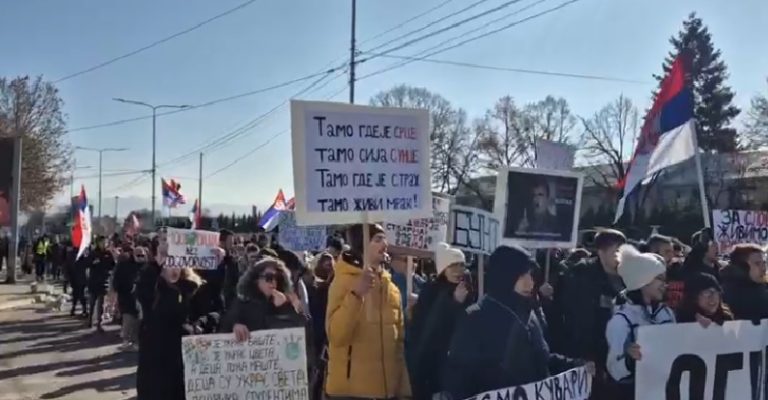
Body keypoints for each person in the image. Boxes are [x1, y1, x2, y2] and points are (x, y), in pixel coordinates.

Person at [443, 245, 588, 400]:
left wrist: (576, 365)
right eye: (521, 276)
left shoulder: (529, 314)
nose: (530, 283)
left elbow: (543, 359)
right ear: (504, 276)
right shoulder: (475, 318)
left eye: (530, 275)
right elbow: (459, 380)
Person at [325, 223, 410, 399]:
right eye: (377, 239)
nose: (385, 244)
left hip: (387, 392)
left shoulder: (392, 289)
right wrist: (356, 295)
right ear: (362, 244)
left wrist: (403, 390)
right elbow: (336, 335)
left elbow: (398, 346)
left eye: (384, 239)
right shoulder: (343, 281)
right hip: (351, 393)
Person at [559, 229, 626, 399]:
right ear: (601, 251)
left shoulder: (627, 277)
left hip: (619, 352)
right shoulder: (583, 274)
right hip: (592, 355)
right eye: (616, 251)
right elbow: (579, 320)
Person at [605, 245, 675, 399]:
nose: (665, 285)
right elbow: (614, 369)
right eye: (660, 279)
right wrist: (630, 359)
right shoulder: (621, 320)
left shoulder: (666, 313)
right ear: (643, 281)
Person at [409, 243, 472, 400]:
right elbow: (431, 329)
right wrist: (454, 302)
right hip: (431, 368)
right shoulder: (431, 291)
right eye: (453, 265)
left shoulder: (468, 289)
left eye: (462, 265)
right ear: (444, 269)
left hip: (457, 367)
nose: (458, 270)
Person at [136, 263, 205, 400]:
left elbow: (207, 312)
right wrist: (154, 267)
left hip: (181, 355)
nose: (174, 269)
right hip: (155, 355)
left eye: (177, 264)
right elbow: (144, 295)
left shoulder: (191, 287)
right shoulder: (153, 287)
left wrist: (199, 324)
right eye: (169, 264)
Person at [222, 258, 306, 337]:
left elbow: (301, 329)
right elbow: (226, 324)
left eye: (277, 278)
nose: (274, 282)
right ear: (256, 280)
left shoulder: (288, 302)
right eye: (269, 277)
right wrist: (235, 325)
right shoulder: (242, 302)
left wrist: (283, 307)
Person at [721, 244, 768, 321]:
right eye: (757, 263)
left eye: (764, 263)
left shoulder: (762, 287)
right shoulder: (727, 294)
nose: (764, 268)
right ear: (742, 267)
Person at [113, 244, 144, 351]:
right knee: (128, 319)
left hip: (139, 298)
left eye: (142, 255)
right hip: (127, 297)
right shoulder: (124, 265)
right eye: (138, 255)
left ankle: (135, 342)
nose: (140, 257)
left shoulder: (146, 266)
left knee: (137, 321)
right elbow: (117, 280)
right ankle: (126, 341)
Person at [87, 236, 116, 332]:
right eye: (102, 242)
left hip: (104, 281)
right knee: (92, 301)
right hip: (94, 280)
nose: (104, 244)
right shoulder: (93, 253)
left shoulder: (108, 253)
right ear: (98, 243)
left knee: (101, 303)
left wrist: (109, 270)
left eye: (105, 242)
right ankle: (90, 319)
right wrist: (94, 262)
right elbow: (87, 264)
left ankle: (99, 322)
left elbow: (112, 265)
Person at [69, 245, 89, 317]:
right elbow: (86, 264)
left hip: (75, 278)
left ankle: (74, 309)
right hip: (81, 278)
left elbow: (69, 267)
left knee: (76, 295)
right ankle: (83, 310)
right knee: (81, 295)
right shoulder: (82, 255)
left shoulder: (71, 255)